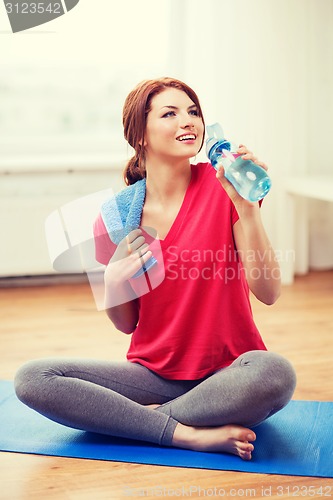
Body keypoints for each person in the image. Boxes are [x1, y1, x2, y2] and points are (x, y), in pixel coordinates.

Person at [15, 77, 296, 461]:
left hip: (228, 375)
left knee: (275, 373)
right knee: (33, 378)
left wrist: (247, 208)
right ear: (141, 135)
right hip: (154, 375)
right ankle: (186, 434)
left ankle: (138, 424)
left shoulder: (223, 188)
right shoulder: (118, 216)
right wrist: (112, 283)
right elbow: (126, 324)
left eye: (193, 112)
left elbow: (269, 292)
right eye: (171, 113)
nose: (189, 122)